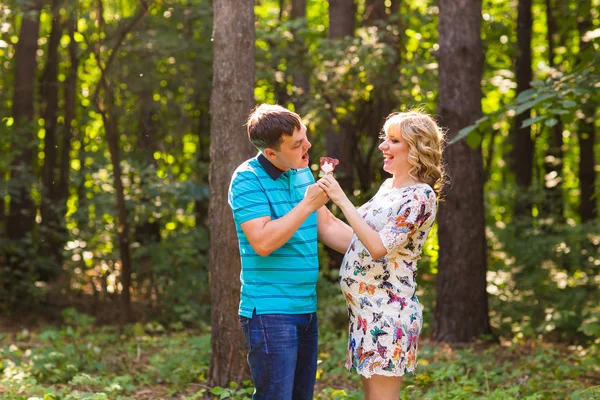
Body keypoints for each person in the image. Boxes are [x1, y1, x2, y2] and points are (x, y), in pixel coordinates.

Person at [317, 111, 445, 400]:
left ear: (416, 149)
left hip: (389, 315)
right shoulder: (388, 189)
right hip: (365, 313)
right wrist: (309, 190)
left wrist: (339, 198)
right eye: (384, 139)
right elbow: (348, 236)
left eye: (394, 140)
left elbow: (377, 248)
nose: (383, 147)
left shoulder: (420, 197)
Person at [228, 104, 352, 400]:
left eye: (305, 137)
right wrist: (307, 204)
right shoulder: (247, 179)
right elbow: (263, 242)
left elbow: (328, 226)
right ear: (271, 153)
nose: (307, 146)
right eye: (297, 144)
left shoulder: (301, 172)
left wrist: (382, 249)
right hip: (270, 312)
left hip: (305, 308)